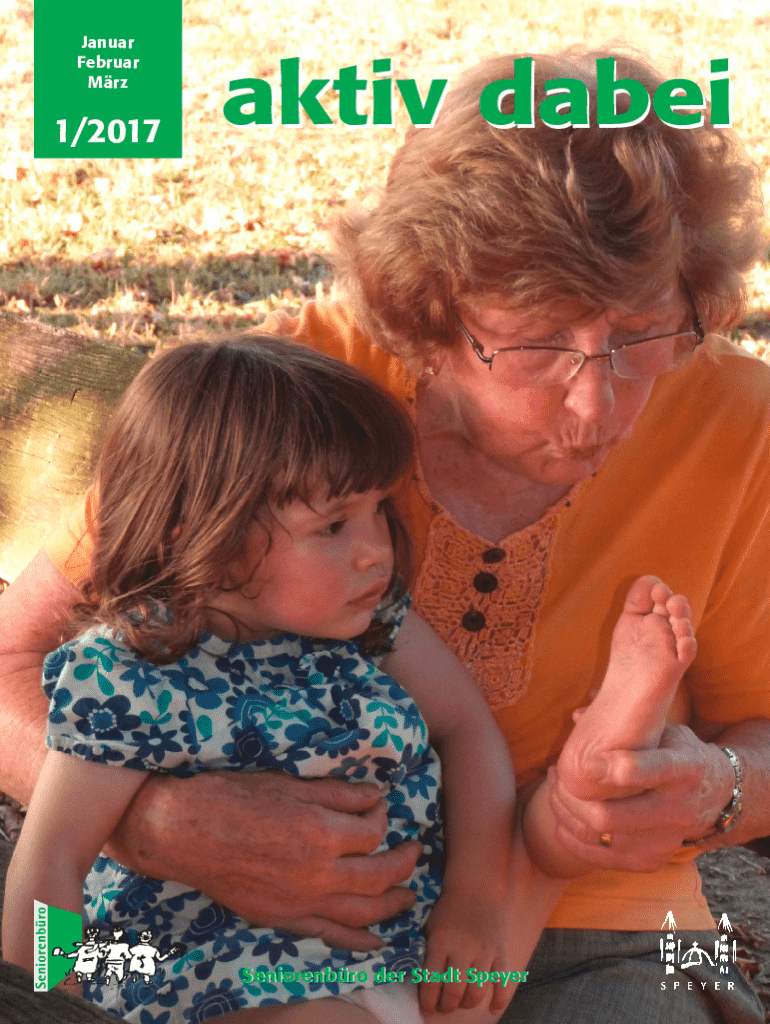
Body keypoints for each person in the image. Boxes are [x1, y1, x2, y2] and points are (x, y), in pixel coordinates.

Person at [0, 45, 768, 1024]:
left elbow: (743, 735)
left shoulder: (740, 425)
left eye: (641, 333)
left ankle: (576, 802)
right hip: (204, 933)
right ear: (430, 314)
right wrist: (156, 822)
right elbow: (15, 668)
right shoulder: (270, 409)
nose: (598, 404)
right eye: (536, 343)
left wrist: (717, 788)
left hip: (601, 924)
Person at [3, 339, 524, 1023]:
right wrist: (53, 1002)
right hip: (174, 968)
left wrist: (475, 898)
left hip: (381, 954)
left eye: (379, 509)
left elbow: (468, 732)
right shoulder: (135, 674)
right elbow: (51, 861)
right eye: (333, 526)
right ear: (203, 535)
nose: (376, 550)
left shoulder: (373, 624)